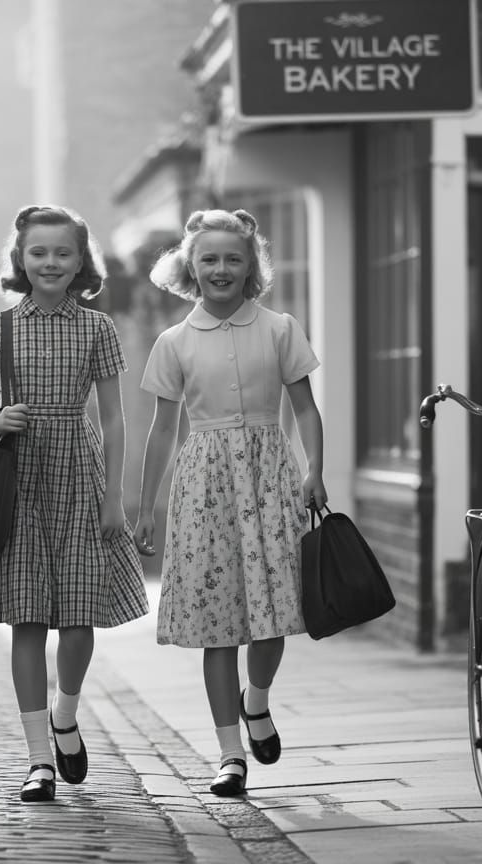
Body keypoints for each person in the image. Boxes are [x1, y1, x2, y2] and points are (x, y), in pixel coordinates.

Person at [0, 204, 149, 803]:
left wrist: (115, 496)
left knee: (79, 615)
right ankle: (39, 759)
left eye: (63, 253)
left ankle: (66, 713)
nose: (50, 262)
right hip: (17, 480)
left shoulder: (98, 328)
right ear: (20, 259)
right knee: (27, 618)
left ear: (80, 260)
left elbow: (114, 418)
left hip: (80, 475)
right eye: (38, 252)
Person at [134, 208, 327, 797]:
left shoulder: (280, 329)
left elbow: (305, 408)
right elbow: (162, 431)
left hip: (270, 477)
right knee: (217, 626)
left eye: (233, 259)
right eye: (209, 259)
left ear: (251, 267)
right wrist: (146, 506)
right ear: (190, 268)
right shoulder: (174, 342)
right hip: (204, 487)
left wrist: (315, 469)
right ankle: (229, 755)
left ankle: (257, 700)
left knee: (275, 613)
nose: (221, 268)